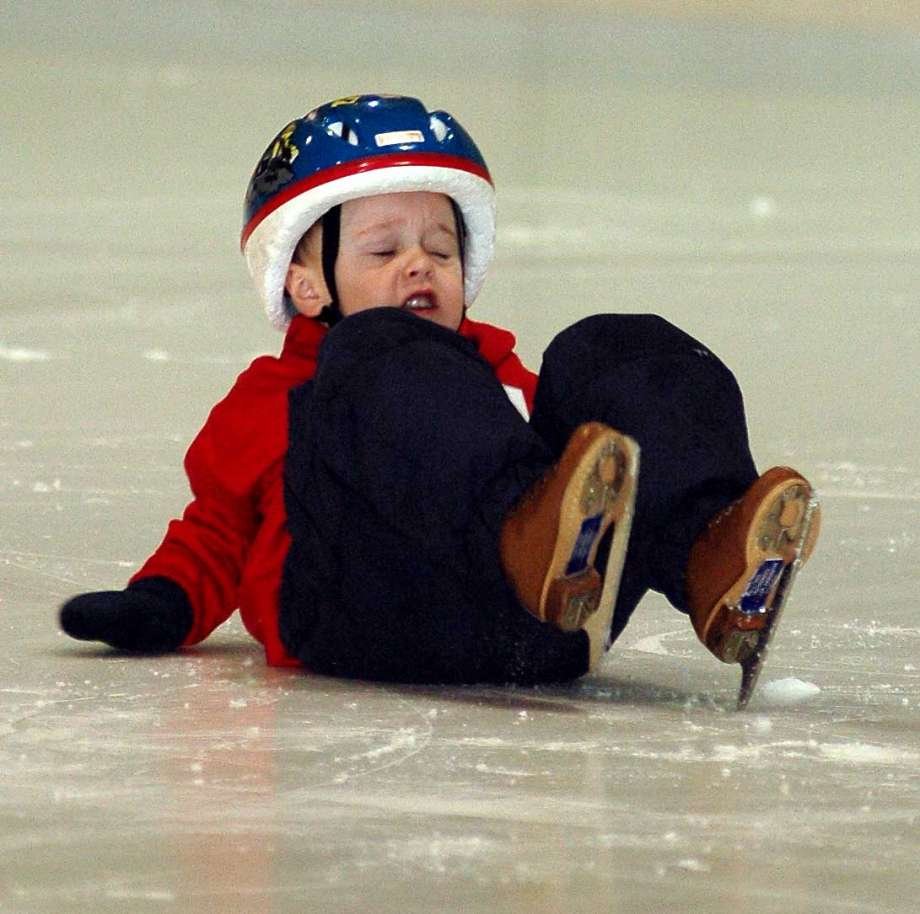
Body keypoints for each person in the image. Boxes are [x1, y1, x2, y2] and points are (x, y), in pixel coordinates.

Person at [59, 94, 819, 689]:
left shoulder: (498, 385)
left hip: (545, 633)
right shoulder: (281, 397)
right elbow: (217, 532)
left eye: (441, 249)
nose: (420, 265)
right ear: (305, 280)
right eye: (384, 249)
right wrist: (159, 603)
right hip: (371, 617)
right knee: (376, 351)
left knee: (610, 345)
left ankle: (708, 559)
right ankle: (523, 535)